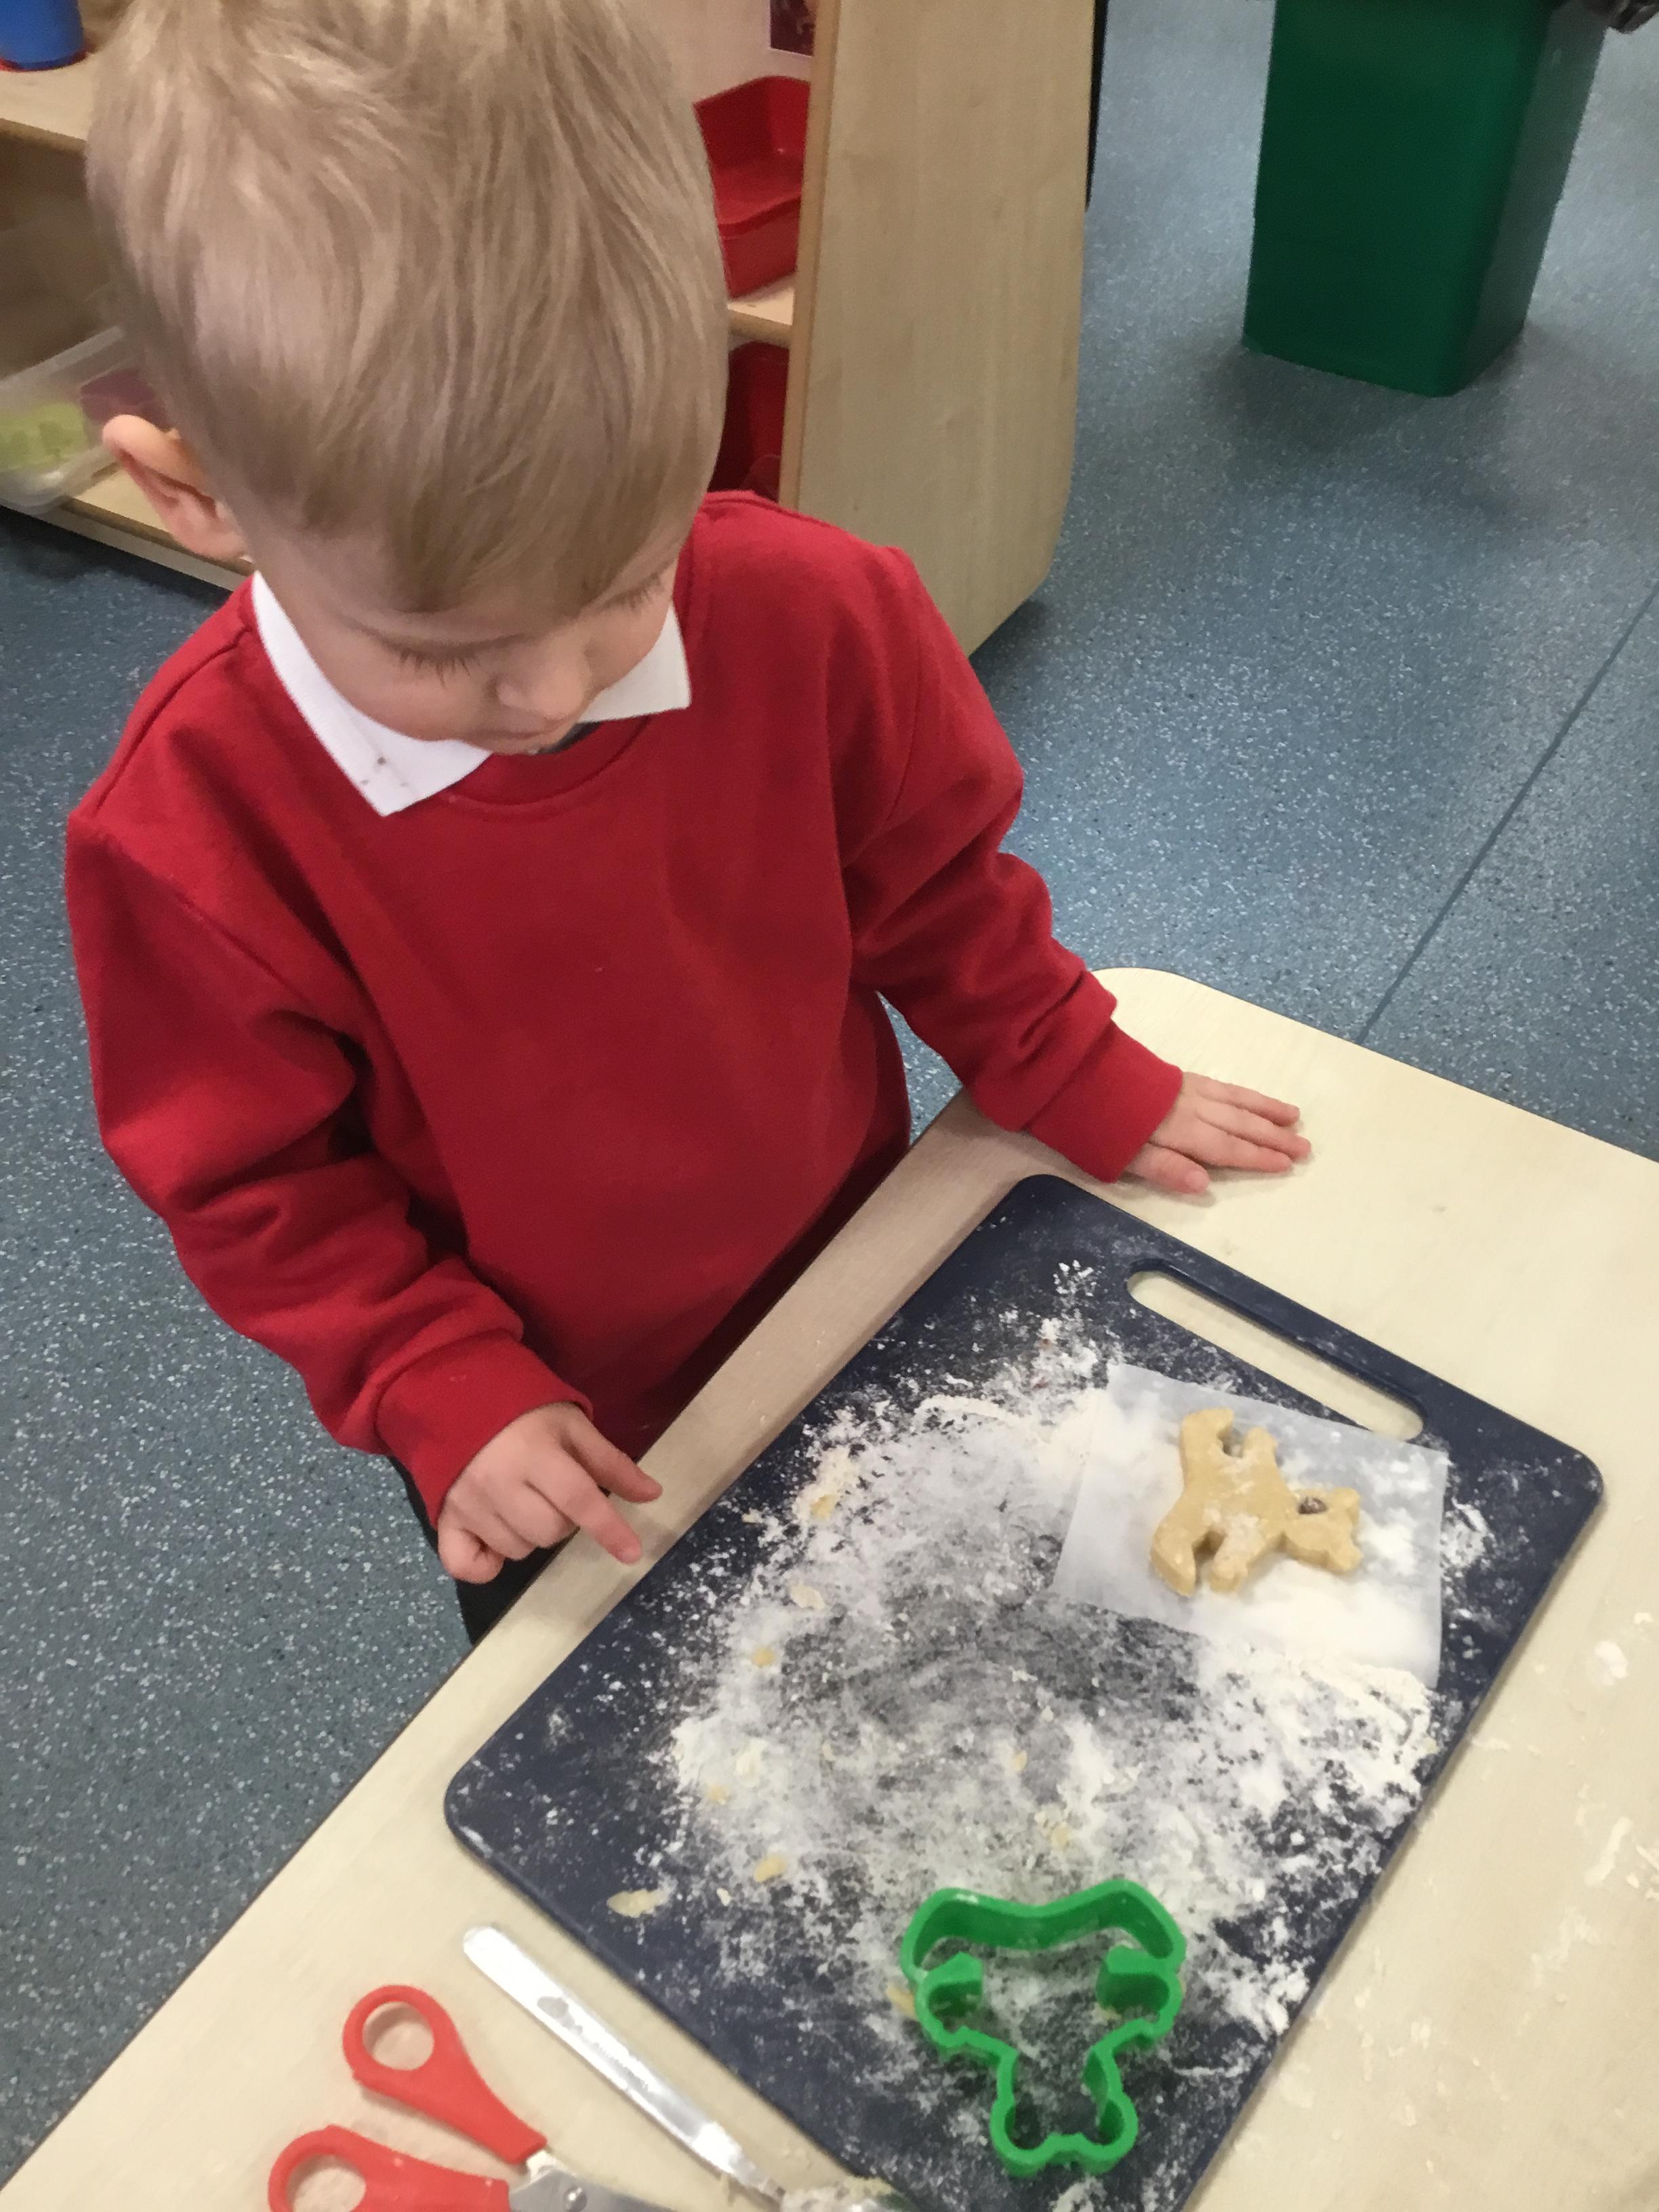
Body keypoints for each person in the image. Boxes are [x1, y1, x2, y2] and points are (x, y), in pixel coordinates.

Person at [66, 0, 1309, 1643]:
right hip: (547, 1415)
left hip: (847, 1267)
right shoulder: (190, 834)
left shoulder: (810, 615)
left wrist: (1060, 1055)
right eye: (440, 649)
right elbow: (258, 1183)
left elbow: (935, 889)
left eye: (624, 582)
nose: (552, 692)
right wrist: (430, 1376)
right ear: (195, 496)